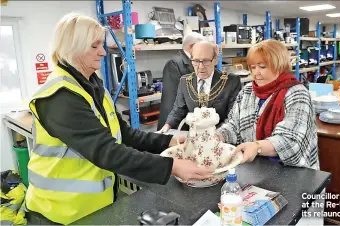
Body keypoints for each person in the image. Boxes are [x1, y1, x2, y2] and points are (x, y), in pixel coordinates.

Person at [24, 13, 213, 225]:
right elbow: (107, 151)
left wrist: (168, 140)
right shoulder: (60, 96)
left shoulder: (92, 85)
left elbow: (123, 133)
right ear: (74, 47)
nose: (103, 52)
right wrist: (172, 166)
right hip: (58, 214)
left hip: (91, 208)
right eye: (94, 46)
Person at [216, 40, 319, 170]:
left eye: (262, 67)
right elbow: (233, 125)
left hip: (292, 172)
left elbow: (291, 141)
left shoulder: (297, 93)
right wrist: (218, 136)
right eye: (253, 67)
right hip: (255, 169)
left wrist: (257, 147)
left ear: (279, 66)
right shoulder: (248, 91)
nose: (256, 73)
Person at [158, 41, 242, 133]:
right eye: (196, 61)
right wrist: (167, 126)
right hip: (194, 136)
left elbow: (233, 117)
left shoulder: (231, 81)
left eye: (206, 61)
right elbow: (178, 110)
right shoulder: (185, 81)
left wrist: (219, 134)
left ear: (215, 59)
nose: (201, 67)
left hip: (222, 136)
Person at [157, 32, 204, 130]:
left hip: (190, 120)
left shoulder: (195, 62)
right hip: (175, 124)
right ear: (191, 46)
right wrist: (170, 125)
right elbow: (171, 98)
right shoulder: (175, 63)